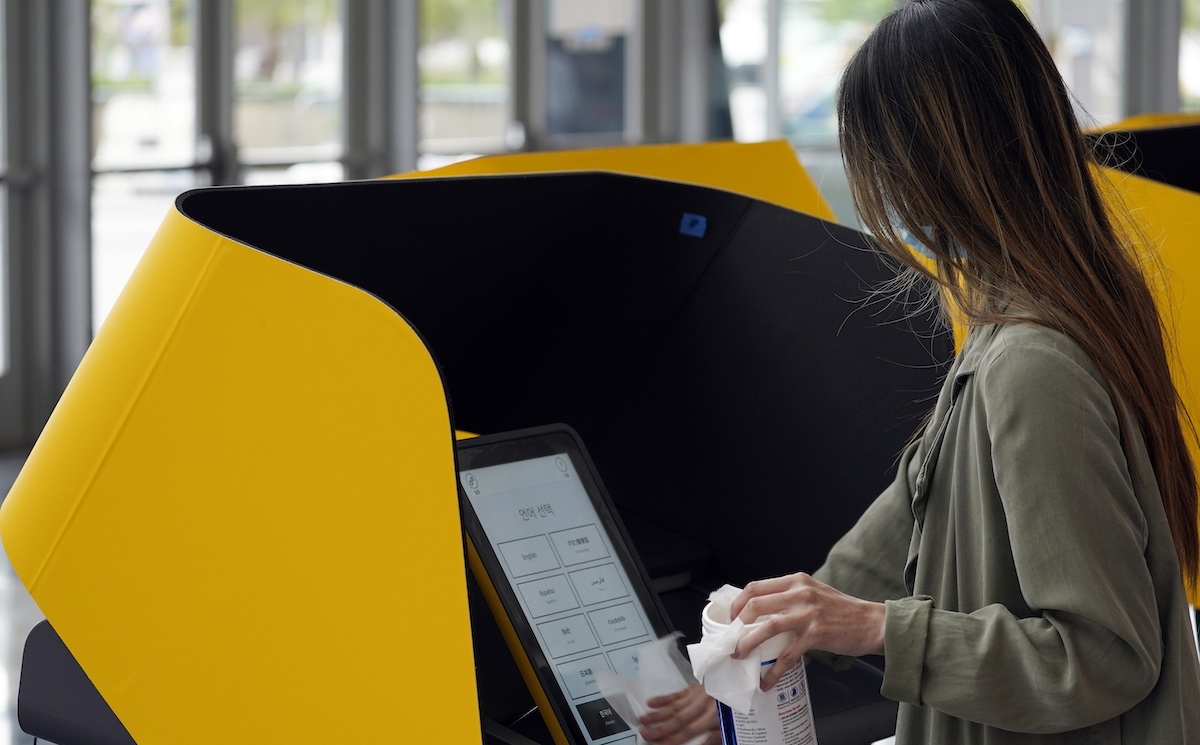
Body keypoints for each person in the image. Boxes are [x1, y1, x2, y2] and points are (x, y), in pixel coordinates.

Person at [724, 0, 1200, 742]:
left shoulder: (1033, 363)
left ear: (933, 167)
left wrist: (874, 628)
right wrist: (788, 632)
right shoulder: (1028, 313)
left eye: (878, 165)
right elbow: (916, 505)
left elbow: (1103, 655)